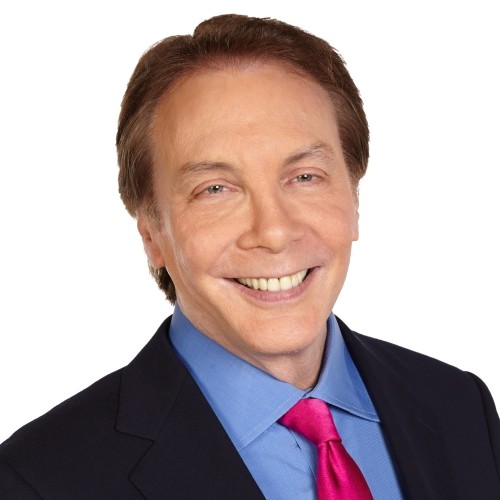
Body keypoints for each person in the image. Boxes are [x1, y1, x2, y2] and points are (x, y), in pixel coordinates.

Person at [0, 13, 499, 499]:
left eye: (305, 177)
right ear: (151, 233)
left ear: (353, 198)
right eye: (215, 189)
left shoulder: (461, 407)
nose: (274, 232)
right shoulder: (37, 480)